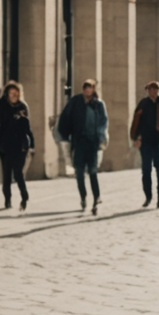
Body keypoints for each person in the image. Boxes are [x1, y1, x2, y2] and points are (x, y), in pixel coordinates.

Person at [58, 79, 109, 215]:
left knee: (92, 171)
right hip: (79, 142)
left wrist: (101, 138)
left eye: (90, 87)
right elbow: (65, 117)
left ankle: (96, 198)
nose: (87, 90)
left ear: (93, 89)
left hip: (93, 143)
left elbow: (103, 122)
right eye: (85, 87)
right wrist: (65, 134)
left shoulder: (98, 105)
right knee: (79, 173)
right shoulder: (75, 102)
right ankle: (83, 197)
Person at [128, 81, 159, 208]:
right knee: (146, 170)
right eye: (151, 89)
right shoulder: (143, 105)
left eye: (156, 89)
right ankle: (148, 196)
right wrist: (136, 137)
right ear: (147, 90)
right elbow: (136, 122)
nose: (154, 91)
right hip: (146, 141)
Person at [0, 82, 34, 211]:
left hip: (20, 146)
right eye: (11, 93)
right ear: (7, 94)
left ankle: (24, 197)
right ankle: (7, 199)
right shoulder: (1, 105)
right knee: (6, 175)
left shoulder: (22, 106)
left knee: (18, 173)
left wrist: (31, 145)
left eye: (16, 93)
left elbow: (27, 128)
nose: (14, 96)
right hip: (5, 145)